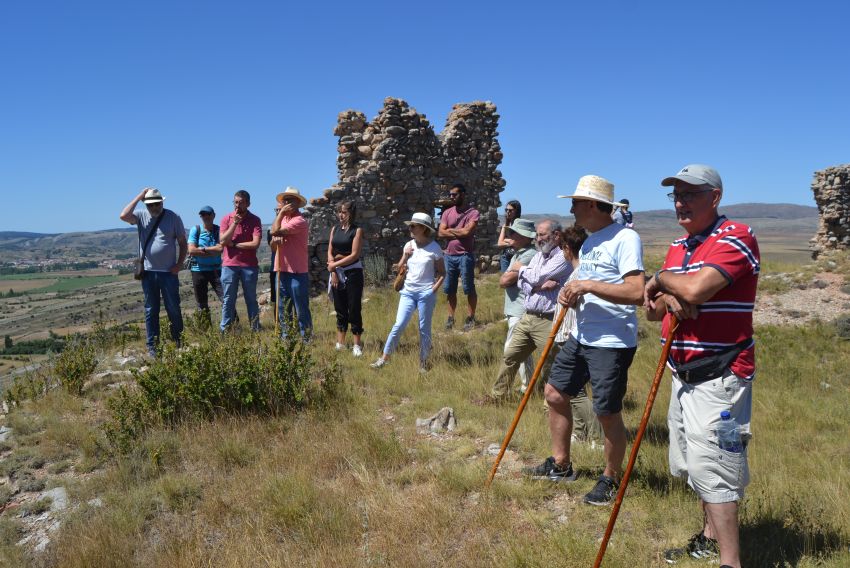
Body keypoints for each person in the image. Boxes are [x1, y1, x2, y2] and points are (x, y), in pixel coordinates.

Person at [644, 165, 759, 568]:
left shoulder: (736, 236)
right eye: (675, 194)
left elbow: (692, 289)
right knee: (693, 461)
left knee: (716, 468)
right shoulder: (680, 246)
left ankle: (731, 561)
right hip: (683, 372)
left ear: (715, 197)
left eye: (690, 194)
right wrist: (669, 294)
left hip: (719, 373)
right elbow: (654, 308)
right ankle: (709, 538)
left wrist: (664, 280)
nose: (680, 201)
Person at [526, 175, 644, 508]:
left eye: (576, 202)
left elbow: (636, 291)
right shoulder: (591, 241)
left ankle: (610, 477)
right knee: (553, 392)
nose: (571, 208)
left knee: (606, 411)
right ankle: (561, 464)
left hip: (611, 340)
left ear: (592, 205)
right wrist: (573, 293)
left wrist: (588, 286)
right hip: (582, 334)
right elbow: (590, 285)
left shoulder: (625, 238)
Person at [482, 219, 572, 403]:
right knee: (511, 356)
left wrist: (521, 269)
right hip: (528, 316)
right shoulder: (539, 256)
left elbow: (537, 276)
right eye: (537, 235)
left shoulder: (562, 257)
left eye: (542, 235)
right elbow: (525, 283)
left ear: (556, 235)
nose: (538, 239)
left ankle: (552, 405)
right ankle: (497, 397)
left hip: (549, 319)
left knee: (550, 364)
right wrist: (536, 286)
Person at [371, 212, 445, 372]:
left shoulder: (435, 248)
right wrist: (405, 256)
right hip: (408, 292)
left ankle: (424, 362)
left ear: (423, 228)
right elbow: (398, 268)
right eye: (410, 225)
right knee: (398, 325)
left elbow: (442, 273)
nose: (410, 228)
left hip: (426, 293)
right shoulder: (408, 245)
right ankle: (384, 358)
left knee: (424, 328)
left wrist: (432, 290)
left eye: (413, 226)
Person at [119, 187, 187, 356]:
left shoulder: (173, 217)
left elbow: (183, 243)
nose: (155, 207)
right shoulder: (141, 215)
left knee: (173, 308)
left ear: (162, 202)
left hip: (168, 272)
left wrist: (179, 264)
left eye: (157, 203)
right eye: (151, 205)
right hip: (148, 272)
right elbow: (123, 215)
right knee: (151, 309)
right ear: (146, 204)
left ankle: (178, 340)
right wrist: (139, 196)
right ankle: (152, 346)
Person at [551, 226, 602, 446]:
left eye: (562, 247)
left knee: (575, 391)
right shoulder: (578, 273)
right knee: (574, 391)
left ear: (567, 248)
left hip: (571, 335)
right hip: (569, 334)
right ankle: (580, 432)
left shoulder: (579, 274)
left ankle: (597, 436)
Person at [498, 218, 537, 393]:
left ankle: (517, 387)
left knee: (512, 349)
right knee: (521, 351)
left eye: (513, 233)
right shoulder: (518, 254)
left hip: (520, 309)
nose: (509, 235)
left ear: (524, 236)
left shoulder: (528, 255)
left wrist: (508, 274)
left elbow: (505, 280)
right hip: (516, 308)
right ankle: (527, 384)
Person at [270, 187, 312, 340]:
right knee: (283, 308)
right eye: (285, 200)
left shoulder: (299, 221)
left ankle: (306, 338)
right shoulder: (283, 220)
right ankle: (286, 339)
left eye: (290, 200)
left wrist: (280, 215)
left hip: (296, 271)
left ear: (298, 203)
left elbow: (274, 231)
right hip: (281, 269)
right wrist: (275, 240)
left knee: (301, 309)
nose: (286, 203)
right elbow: (272, 245)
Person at [438, 183, 480, 331]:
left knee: (468, 288)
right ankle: (450, 318)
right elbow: (440, 233)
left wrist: (449, 230)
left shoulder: (473, 213)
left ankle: (471, 316)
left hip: (465, 255)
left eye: (454, 194)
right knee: (450, 289)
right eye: (450, 195)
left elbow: (467, 233)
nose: (451, 197)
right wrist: (459, 231)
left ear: (463, 194)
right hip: (449, 256)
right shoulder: (447, 212)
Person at [220, 189, 262, 332]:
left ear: (248, 204)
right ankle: (225, 330)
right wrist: (234, 224)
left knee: (251, 299)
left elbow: (255, 244)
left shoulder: (255, 220)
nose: (237, 206)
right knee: (228, 300)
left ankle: (255, 328)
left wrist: (235, 245)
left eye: (241, 203)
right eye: (235, 202)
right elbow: (223, 241)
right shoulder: (226, 219)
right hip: (229, 265)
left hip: (249, 266)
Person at [327, 200, 365, 356]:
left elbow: (355, 255)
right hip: (336, 272)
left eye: (344, 212)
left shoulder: (357, 231)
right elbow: (330, 250)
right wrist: (333, 270)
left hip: (353, 273)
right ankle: (341, 343)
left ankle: (357, 345)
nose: (340, 215)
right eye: (339, 212)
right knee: (340, 308)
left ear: (351, 214)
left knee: (354, 308)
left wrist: (334, 265)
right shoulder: (334, 229)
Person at [186, 205, 224, 325]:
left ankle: (233, 327)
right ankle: (205, 332)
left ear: (213, 215)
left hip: (216, 270)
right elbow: (191, 250)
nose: (205, 216)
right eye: (203, 214)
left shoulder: (219, 230)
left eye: (208, 214)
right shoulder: (195, 230)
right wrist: (211, 251)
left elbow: (221, 248)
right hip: (198, 270)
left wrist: (202, 250)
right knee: (201, 303)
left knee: (226, 299)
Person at [497, 200, 522, 272]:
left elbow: (519, 242)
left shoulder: (520, 226)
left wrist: (506, 240)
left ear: (516, 211)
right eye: (506, 210)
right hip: (506, 256)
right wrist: (512, 242)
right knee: (505, 280)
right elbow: (499, 243)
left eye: (510, 210)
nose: (508, 212)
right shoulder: (505, 225)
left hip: (517, 256)